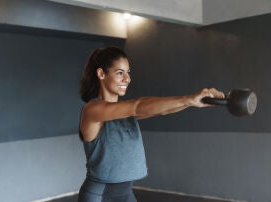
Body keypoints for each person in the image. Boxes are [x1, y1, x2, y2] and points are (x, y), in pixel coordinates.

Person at [77, 46, 224, 202]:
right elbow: (137, 106)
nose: (127, 79)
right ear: (101, 73)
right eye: (120, 73)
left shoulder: (124, 114)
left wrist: (193, 103)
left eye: (128, 72)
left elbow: (162, 110)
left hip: (125, 194)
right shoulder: (92, 110)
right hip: (99, 196)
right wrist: (188, 98)